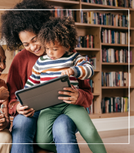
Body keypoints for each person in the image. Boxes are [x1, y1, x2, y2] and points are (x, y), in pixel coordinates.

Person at [0, 0, 93, 153]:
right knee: (21, 124)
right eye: (26, 44)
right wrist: (18, 106)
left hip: (65, 108)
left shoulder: (66, 52)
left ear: (42, 30)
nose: (33, 47)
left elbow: (87, 93)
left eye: (35, 39)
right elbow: (11, 97)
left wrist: (78, 96)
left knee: (62, 126)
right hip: (32, 111)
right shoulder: (19, 60)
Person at [24, 17, 107, 153]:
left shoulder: (74, 58)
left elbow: (89, 69)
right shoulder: (40, 62)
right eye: (47, 48)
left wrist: (74, 70)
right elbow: (31, 83)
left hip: (71, 105)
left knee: (90, 132)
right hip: (49, 107)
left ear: (67, 45)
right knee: (42, 141)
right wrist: (25, 100)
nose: (50, 53)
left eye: (55, 49)